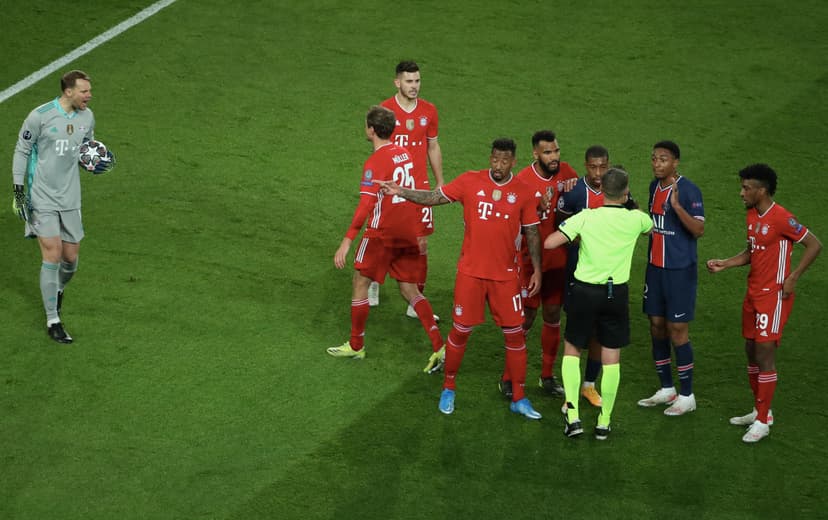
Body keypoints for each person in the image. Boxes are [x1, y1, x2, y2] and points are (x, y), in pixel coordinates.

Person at [376, 138, 543, 419]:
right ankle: (449, 388)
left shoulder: (524, 192)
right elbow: (434, 197)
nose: (498, 165)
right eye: (495, 159)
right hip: (471, 275)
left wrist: (536, 269)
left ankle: (519, 397)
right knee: (460, 332)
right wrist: (401, 190)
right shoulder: (469, 181)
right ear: (490, 158)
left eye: (504, 161)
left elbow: (532, 232)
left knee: (515, 336)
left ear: (514, 162)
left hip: (505, 278)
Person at [707, 164, 821, 443]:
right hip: (753, 293)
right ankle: (761, 410)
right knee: (750, 349)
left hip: (774, 296)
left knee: (765, 354)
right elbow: (752, 252)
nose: (741, 192)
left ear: (762, 190)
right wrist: (726, 263)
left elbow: (815, 244)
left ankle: (762, 421)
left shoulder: (782, 218)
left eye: (746, 188)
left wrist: (793, 276)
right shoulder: (750, 215)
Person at [327, 106, 444, 365]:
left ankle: (356, 345)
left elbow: (366, 206)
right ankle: (439, 346)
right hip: (408, 231)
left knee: (360, 282)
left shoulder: (375, 162)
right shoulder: (405, 154)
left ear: (370, 130)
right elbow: (412, 193)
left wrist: (347, 241)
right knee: (409, 289)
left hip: (381, 233)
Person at [545, 167, 653, 439]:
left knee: (572, 350)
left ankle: (573, 417)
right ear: (626, 192)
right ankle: (604, 422)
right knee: (611, 357)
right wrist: (629, 205)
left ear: (602, 191)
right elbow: (648, 224)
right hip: (615, 294)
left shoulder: (586, 217)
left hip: (584, 292)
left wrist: (578, 238)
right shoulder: (637, 220)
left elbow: (549, 243)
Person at [11, 70, 113, 344]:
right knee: (52, 255)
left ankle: (56, 289)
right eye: (84, 91)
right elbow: (21, 151)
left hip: (70, 199)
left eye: (89, 91)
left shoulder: (87, 117)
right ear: (69, 91)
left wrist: (93, 162)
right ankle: (53, 319)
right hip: (41, 197)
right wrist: (19, 192)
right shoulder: (40, 116)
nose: (89, 96)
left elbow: (84, 149)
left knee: (70, 259)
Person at [498, 130, 577, 400]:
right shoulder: (522, 181)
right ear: (535, 154)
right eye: (547, 152)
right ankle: (508, 377)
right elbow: (509, 223)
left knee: (553, 316)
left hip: (558, 261)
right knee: (525, 319)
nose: (554, 157)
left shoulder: (567, 172)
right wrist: (535, 207)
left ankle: (546, 376)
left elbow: (581, 203)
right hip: (529, 264)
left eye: (556, 151)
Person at [368, 61, 444, 323]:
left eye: (418, 81)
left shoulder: (429, 111)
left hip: (419, 188)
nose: (414, 86)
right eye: (409, 81)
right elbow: (378, 149)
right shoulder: (386, 110)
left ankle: (416, 301)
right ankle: (373, 280)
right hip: (390, 186)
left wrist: (439, 182)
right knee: (380, 236)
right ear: (397, 83)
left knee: (421, 243)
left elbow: (432, 146)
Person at [637, 140, 704, 416]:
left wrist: (676, 207)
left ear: (675, 162)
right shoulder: (654, 187)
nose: (657, 164)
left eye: (663, 159)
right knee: (656, 324)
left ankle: (687, 395)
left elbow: (698, 229)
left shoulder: (688, 190)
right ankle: (666, 388)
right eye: (654, 159)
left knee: (677, 328)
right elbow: (654, 226)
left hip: (680, 271)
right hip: (655, 268)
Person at [555, 145, 612, 409]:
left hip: (608, 276)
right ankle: (570, 394)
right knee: (576, 336)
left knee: (599, 333)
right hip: (578, 275)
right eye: (592, 167)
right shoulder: (576, 194)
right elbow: (561, 227)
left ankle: (589, 386)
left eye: (602, 166)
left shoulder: (618, 192)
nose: (598, 172)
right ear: (585, 165)